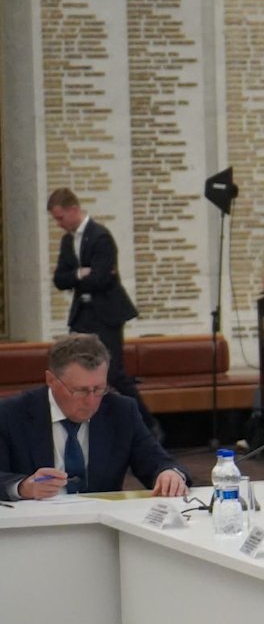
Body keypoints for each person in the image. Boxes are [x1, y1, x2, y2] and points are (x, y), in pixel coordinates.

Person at [0, 334, 188, 500]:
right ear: (51, 380)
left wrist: (169, 474)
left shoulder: (121, 411)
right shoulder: (10, 414)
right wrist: (23, 487)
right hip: (33, 522)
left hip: (101, 521)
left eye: (99, 389)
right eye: (80, 390)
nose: (91, 401)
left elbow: (156, 460)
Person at [47, 188, 157, 437]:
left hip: (106, 314)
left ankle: (148, 426)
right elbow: (59, 280)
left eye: (60, 218)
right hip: (82, 314)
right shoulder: (67, 241)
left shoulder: (100, 236)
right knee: (75, 369)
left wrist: (79, 276)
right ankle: (83, 428)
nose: (58, 223)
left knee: (113, 372)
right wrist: (80, 273)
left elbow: (101, 279)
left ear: (73, 209)